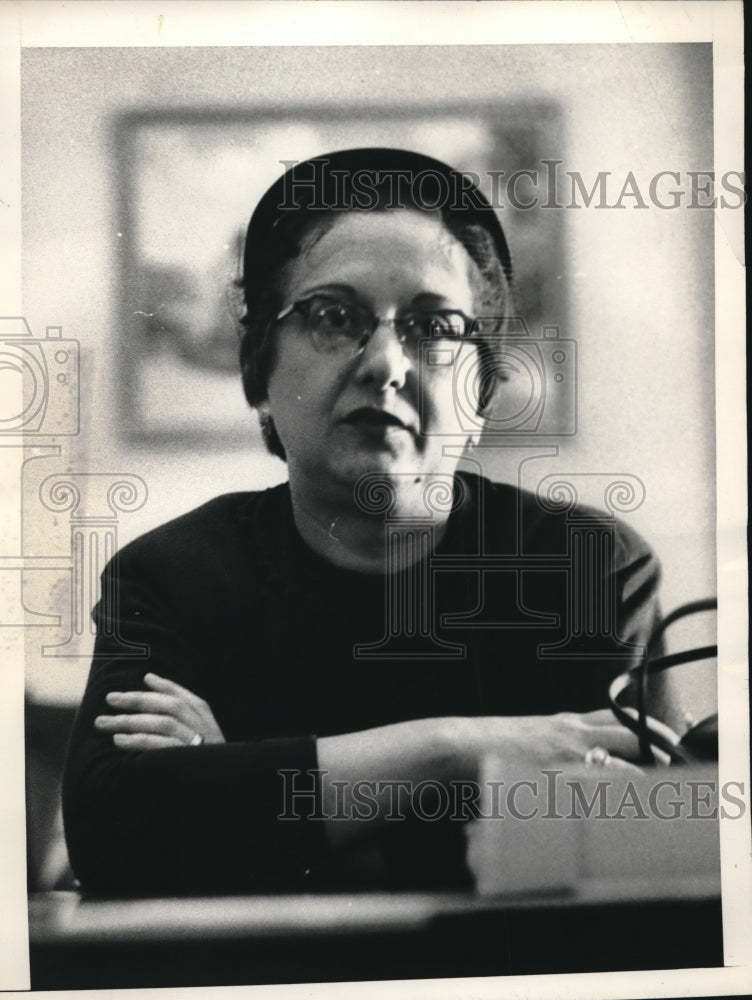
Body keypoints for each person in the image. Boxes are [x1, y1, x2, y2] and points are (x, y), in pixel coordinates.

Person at [62, 148, 662, 895]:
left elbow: (623, 846)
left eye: (433, 324)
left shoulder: (583, 567)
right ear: (258, 373)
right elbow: (113, 841)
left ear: (479, 393)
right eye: (333, 316)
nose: (385, 362)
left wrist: (241, 790)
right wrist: (455, 749)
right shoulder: (173, 576)